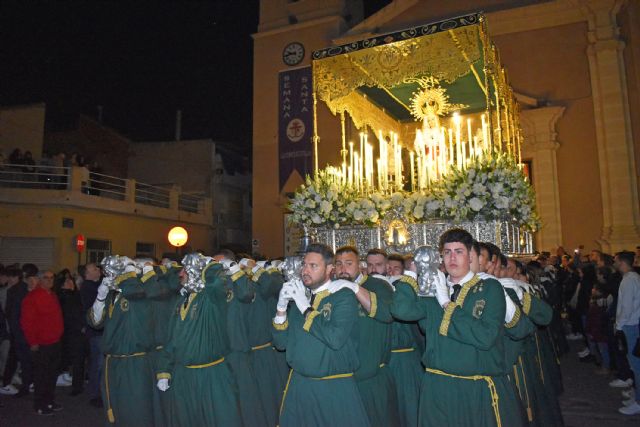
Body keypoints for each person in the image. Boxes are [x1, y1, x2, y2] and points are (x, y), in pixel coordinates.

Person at [393, 228, 524, 427]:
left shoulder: (490, 288)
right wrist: (411, 273)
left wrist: (447, 303)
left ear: (471, 255)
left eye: (459, 251)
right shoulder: (433, 290)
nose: (452, 258)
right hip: (436, 387)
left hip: (474, 387)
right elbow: (401, 311)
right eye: (447, 252)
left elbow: (485, 336)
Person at [273, 243, 370, 427]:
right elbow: (281, 344)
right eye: (304, 265)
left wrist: (304, 307)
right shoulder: (302, 297)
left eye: (313, 266)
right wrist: (281, 309)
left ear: (329, 269)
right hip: (300, 388)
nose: (305, 271)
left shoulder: (343, 297)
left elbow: (335, 338)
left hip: (333, 389)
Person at [156, 254, 242, 426]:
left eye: (185, 270)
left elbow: (218, 282)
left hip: (212, 375)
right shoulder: (181, 302)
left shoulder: (211, 298)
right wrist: (164, 369)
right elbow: (172, 339)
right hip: (184, 376)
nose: (180, 274)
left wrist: (209, 263)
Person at [333, 246, 399, 427]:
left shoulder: (378, 285)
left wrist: (354, 288)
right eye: (338, 264)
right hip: (341, 378)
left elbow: (387, 314)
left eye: (348, 263)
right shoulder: (332, 289)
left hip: (371, 377)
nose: (342, 269)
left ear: (360, 265)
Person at [88, 256, 155, 425]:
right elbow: (95, 322)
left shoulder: (141, 293)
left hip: (134, 362)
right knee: (114, 408)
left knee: (135, 409)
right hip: (112, 362)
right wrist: (101, 296)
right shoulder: (113, 294)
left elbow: (139, 295)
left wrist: (130, 272)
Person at [20, 270, 64, 415]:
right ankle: (40, 404)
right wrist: (32, 342)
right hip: (42, 344)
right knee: (41, 376)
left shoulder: (52, 295)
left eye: (52, 278)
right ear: (40, 280)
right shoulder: (32, 297)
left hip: (55, 342)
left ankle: (49, 401)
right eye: (46, 278)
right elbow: (27, 322)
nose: (49, 280)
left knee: (52, 376)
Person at [614, 250, 640, 415]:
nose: (614, 264)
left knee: (636, 365)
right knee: (634, 364)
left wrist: (619, 326)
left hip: (630, 325)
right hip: (631, 324)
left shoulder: (629, 281)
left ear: (623, 263)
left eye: (616, 261)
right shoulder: (632, 278)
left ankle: (638, 401)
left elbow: (627, 307)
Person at [55, 270, 86, 395]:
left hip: (75, 332)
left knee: (79, 360)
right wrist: (80, 326)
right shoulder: (63, 297)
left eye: (70, 280)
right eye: (66, 281)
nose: (70, 283)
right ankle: (76, 386)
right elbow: (68, 316)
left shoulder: (75, 295)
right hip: (71, 333)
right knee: (76, 359)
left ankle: (77, 384)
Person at [79, 262, 104, 408]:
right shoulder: (88, 288)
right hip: (96, 332)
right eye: (94, 269)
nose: (98, 270)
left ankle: (99, 391)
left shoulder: (98, 284)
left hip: (101, 331)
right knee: (97, 364)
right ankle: (95, 394)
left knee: (100, 362)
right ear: (87, 274)